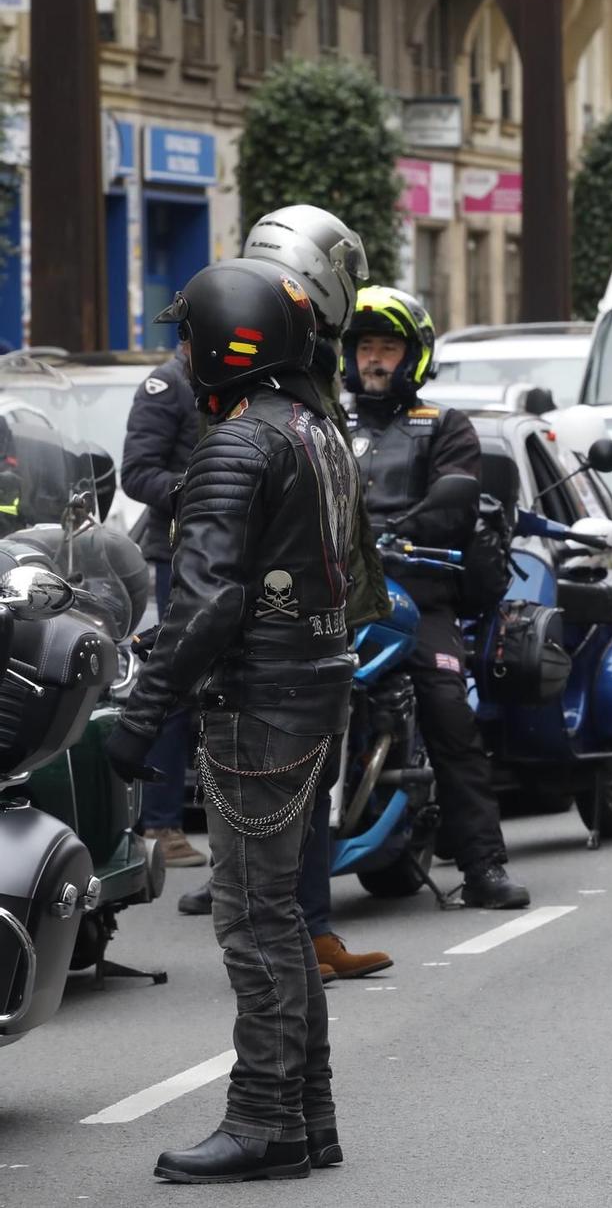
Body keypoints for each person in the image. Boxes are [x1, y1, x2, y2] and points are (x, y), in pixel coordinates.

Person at [100, 259, 359, 1183]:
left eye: (189, 335)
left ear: (219, 343)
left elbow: (202, 608)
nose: (182, 351)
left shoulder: (238, 443)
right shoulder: (317, 428)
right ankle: (309, 1113)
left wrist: (138, 722)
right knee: (282, 914)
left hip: (260, 703)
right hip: (318, 684)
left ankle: (265, 1120)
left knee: (252, 922)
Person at [176, 208, 393, 983]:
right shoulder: (255, 384)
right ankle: (285, 1099)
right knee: (265, 909)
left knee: (267, 903)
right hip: (278, 650)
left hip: (294, 648)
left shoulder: (303, 386)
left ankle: (276, 1101)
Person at [346, 287, 529, 910]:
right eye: (365, 346)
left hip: (414, 594)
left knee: (449, 707)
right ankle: (236, 870)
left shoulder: (443, 426)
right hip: (330, 596)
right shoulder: (317, 425)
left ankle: (483, 865)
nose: (374, 359)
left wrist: (412, 527)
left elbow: (459, 499)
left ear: (413, 357)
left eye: (387, 347)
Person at [119, 339, 204, 868]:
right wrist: (203, 487)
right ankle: (161, 825)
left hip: (237, 552)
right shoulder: (167, 386)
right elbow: (137, 472)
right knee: (175, 687)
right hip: (181, 554)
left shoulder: (233, 384)